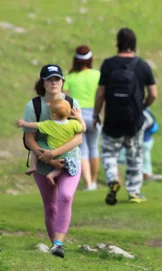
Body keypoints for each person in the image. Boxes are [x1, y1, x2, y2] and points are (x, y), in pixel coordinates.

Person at [21, 64, 84, 258]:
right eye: (49, 79)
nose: (54, 82)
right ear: (43, 83)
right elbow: (29, 138)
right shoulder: (34, 106)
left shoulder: (72, 103)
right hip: (42, 162)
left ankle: (58, 243)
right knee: (51, 206)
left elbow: (79, 136)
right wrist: (45, 157)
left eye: (57, 79)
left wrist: (55, 153)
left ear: (62, 81)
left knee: (65, 196)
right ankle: (54, 246)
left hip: (70, 161)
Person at [93, 27, 157, 205]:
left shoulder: (108, 64)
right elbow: (153, 94)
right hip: (134, 120)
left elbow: (100, 94)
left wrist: (96, 114)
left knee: (109, 153)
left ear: (118, 43)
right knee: (135, 155)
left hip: (112, 119)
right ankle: (134, 191)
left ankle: (113, 179)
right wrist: (143, 106)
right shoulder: (142, 65)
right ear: (134, 44)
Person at [17, 99, 86, 185]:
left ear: (54, 115)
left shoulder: (49, 124)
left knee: (36, 145)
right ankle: (52, 175)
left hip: (49, 150)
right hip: (66, 154)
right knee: (61, 167)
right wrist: (79, 117)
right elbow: (83, 128)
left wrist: (23, 123)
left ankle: (33, 166)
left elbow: (34, 125)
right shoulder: (73, 124)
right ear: (68, 114)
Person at [64, 45, 101, 191]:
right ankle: (94, 180)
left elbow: (64, 96)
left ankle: (87, 184)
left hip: (77, 115)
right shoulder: (97, 75)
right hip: (94, 115)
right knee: (94, 147)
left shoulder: (70, 76)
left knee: (82, 149)